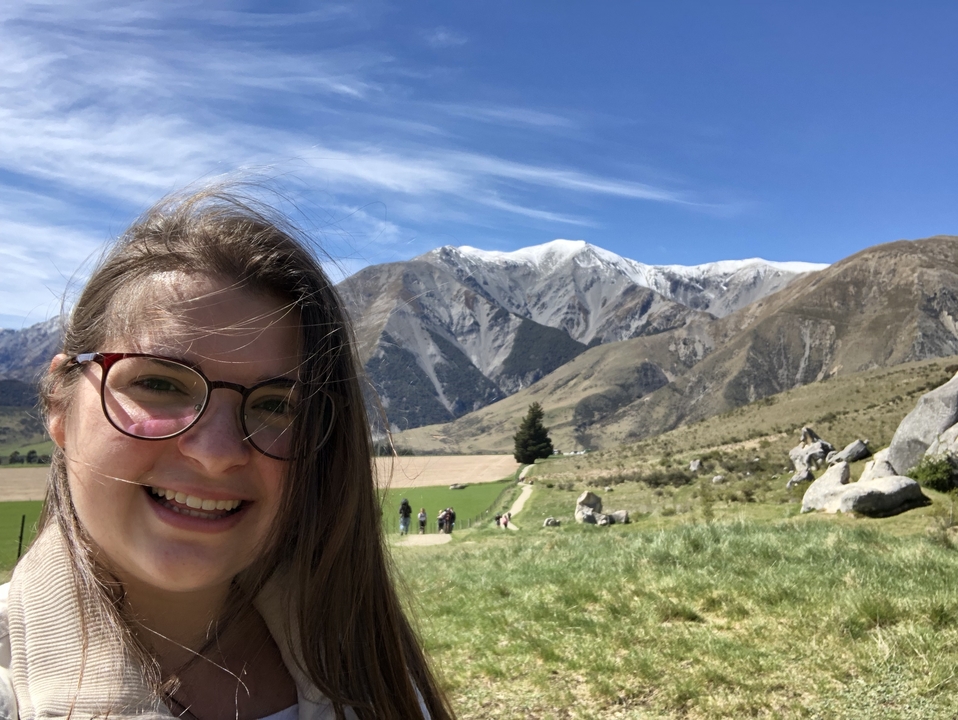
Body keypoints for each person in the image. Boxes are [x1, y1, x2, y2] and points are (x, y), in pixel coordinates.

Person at [0, 187, 453, 719]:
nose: (217, 453)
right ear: (59, 405)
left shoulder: (369, 665)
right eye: (159, 384)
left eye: (276, 405)